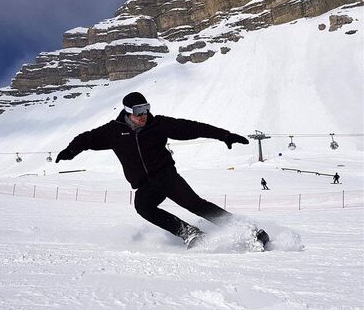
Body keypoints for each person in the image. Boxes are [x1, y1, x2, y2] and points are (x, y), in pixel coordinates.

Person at [56, 92, 269, 249]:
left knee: (195, 204)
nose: (144, 115)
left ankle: (251, 231)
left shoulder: (158, 125)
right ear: (128, 112)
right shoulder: (113, 131)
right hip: (145, 185)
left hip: (166, 176)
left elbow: (193, 127)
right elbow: (87, 138)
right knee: (143, 206)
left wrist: (224, 135)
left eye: (146, 109)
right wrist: (71, 150)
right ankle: (190, 233)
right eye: (138, 111)